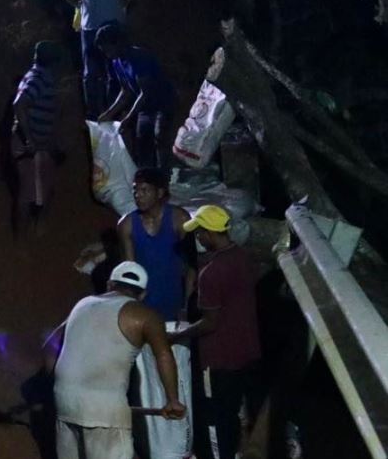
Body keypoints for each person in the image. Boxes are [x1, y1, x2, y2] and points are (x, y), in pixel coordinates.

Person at [45, 261, 186, 459]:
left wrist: (60, 387)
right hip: (105, 412)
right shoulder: (146, 316)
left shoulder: (83, 304)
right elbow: (163, 355)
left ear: (110, 285)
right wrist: (173, 401)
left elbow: (50, 346)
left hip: (65, 403)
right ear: (143, 295)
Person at [169, 205, 262, 459]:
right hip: (247, 352)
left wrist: (176, 336)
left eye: (199, 233)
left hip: (219, 358)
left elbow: (210, 323)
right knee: (234, 413)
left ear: (210, 233)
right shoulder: (244, 257)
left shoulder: (211, 274)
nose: (197, 238)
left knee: (215, 417)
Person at [55, 0, 140, 119]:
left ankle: (114, 112)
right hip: (89, 27)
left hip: (114, 27)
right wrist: (75, 3)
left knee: (115, 71)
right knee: (91, 74)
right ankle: (93, 114)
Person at [95, 23, 176, 169]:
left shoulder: (139, 57)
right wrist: (108, 114)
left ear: (118, 43)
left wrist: (129, 117)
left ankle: (164, 177)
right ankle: (147, 177)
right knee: (142, 140)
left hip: (162, 102)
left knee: (159, 136)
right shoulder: (117, 62)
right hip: (146, 107)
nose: (107, 54)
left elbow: (146, 92)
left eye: (108, 49)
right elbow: (125, 91)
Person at [118, 167, 193, 322]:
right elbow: (130, 271)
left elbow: (191, 266)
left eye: (144, 190)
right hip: (144, 307)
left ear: (159, 193)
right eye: (135, 190)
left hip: (175, 303)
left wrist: (186, 306)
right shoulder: (127, 224)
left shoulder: (179, 219)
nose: (138, 195)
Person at [9, 40, 63, 232]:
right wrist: (29, 138)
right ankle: (22, 243)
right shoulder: (38, 78)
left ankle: (34, 236)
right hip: (28, 143)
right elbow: (19, 104)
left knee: (45, 189)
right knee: (29, 191)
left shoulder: (40, 76)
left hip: (38, 143)